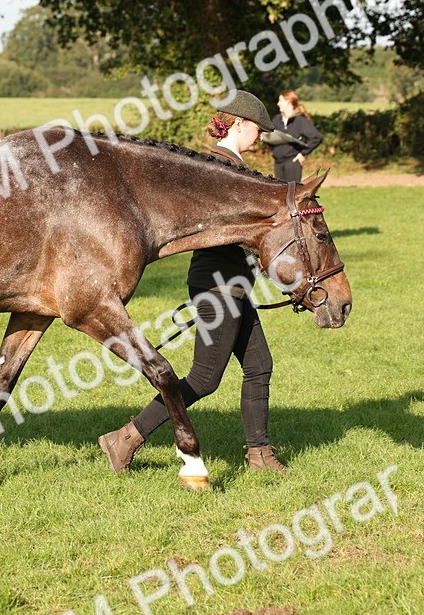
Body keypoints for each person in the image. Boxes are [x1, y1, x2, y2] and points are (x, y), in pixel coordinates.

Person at [98, 89, 289, 478]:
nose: (261, 138)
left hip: (233, 285)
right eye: (259, 130)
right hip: (218, 287)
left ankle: (259, 453)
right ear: (240, 124)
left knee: (259, 366)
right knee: (204, 378)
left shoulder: (230, 167)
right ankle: (126, 437)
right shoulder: (219, 169)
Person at [270, 90, 322, 183]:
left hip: (292, 162)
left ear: (289, 102)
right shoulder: (277, 119)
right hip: (278, 162)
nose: (278, 104)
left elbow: (316, 137)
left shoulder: (300, 120)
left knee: (292, 191)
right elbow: (270, 138)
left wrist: (303, 153)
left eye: (280, 101)